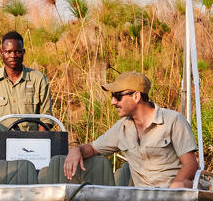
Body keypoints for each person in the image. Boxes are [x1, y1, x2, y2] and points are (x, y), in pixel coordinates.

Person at [62, 71, 198, 188]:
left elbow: (191, 165)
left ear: (136, 96)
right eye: (112, 97)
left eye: (118, 96)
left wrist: (176, 187)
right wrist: (76, 150)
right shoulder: (122, 128)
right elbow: (92, 148)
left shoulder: (173, 121)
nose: (113, 102)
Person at [0, 31, 52, 132]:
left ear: (23, 52)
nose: (13, 55)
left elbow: (46, 118)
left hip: (31, 142)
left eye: (18, 51)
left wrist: (37, 142)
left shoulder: (38, 79)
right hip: (0, 141)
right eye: (8, 52)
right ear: (1, 52)